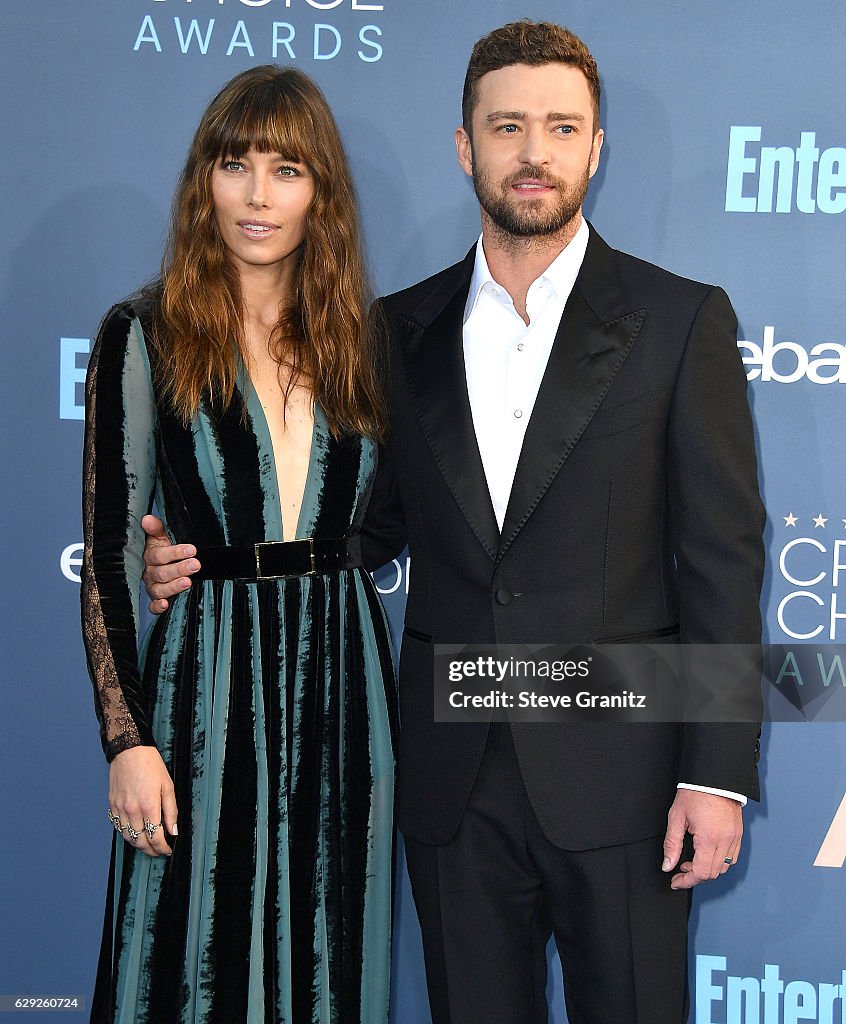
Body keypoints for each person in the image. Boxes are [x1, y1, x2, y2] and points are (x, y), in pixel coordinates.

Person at [143, 22, 765, 1024]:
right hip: (452, 788)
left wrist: (717, 775)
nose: (534, 152)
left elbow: (726, 562)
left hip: (626, 785)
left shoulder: (680, 321)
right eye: (507, 125)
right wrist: (203, 553)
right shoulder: (396, 332)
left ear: (595, 149)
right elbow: (362, 528)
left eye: (561, 128)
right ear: (465, 145)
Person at [81, 65, 396, 1024]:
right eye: (235, 164)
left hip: (347, 682)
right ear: (203, 181)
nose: (259, 196)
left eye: (287, 169)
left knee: (332, 952)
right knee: (191, 957)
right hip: (205, 687)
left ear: (321, 193)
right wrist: (127, 740)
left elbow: (406, 513)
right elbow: (102, 553)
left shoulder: (369, 342)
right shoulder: (144, 333)